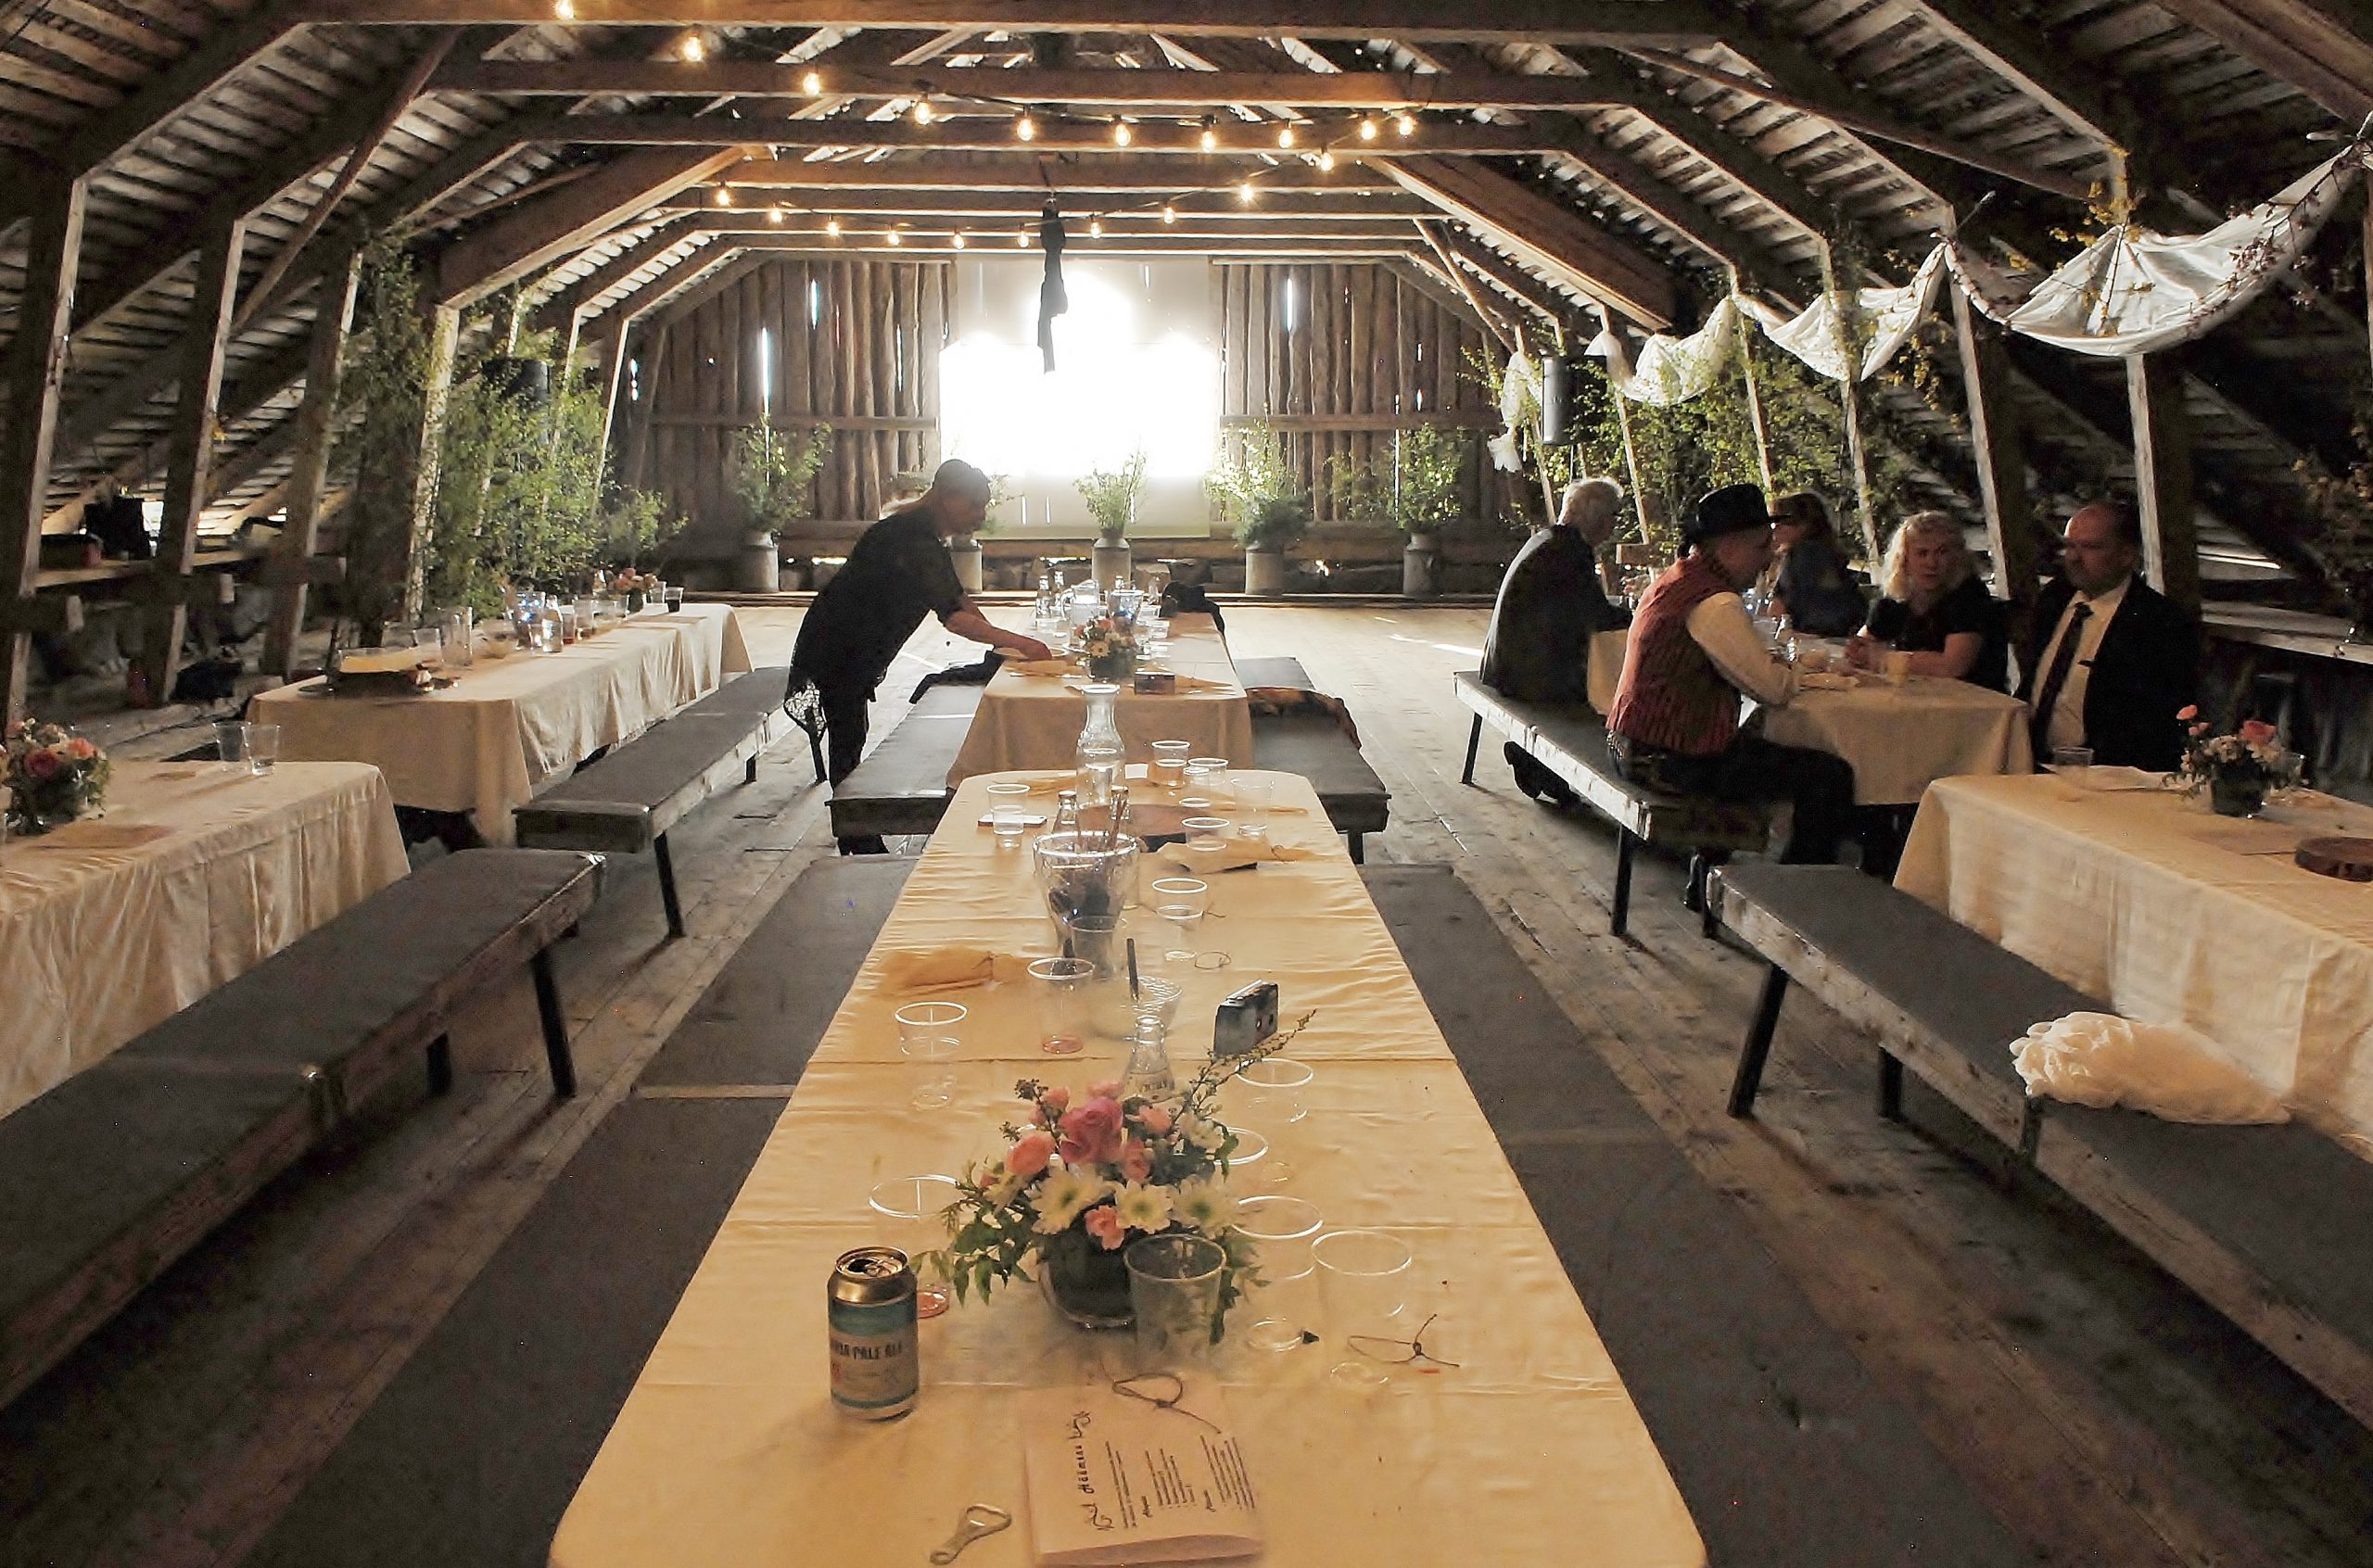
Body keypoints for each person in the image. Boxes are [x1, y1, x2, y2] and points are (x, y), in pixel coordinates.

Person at [1606, 482, 1857, 865]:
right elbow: (1773, 690)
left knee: (1750, 746)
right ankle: (1797, 888)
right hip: (1664, 761)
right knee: (1828, 777)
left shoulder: (1679, 579)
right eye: (1761, 547)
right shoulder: (1715, 602)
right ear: (1728, 549)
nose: (1769, 557)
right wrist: (1790, 667)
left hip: (1635, 744)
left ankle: (1712, 875)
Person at [790, 460, 1053, 801]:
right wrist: (1021, 643)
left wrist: (1003, 646)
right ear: (946, 498)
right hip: (838, 644)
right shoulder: (911, 538)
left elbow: (958, 599)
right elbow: (955, 619)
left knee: (853, 731)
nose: (980, 515)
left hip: (855, 642)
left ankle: (852, 811)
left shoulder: (922, 533)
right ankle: (850, 817)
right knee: (848, 737)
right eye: (974, 505)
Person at [1479, 476, 1633, 807]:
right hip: (1523, 673)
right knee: (1605, 700)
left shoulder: (1550, 539)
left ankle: (1536, 763)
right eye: (1613, 516)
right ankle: (1543, 764)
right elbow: (1597, 616)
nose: (1614, 525)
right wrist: (1641, 617)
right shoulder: (1570, 553)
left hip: (1504, 662)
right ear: (1597, 519)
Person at [2017, 500, 2198, 772]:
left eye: (2090, 547)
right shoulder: (2055, 598)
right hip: (2028, 760)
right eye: (2069, 546)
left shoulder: (2157, 622)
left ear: (2126, 555)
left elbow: (2153, 722)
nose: (2073, 557)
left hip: (2105, 772)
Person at [1853, 511, 2009, 690]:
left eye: (1942, 552)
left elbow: (1951, 666)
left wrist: (1882, 658)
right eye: (1922, 553)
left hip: (1972, 701)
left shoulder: (1969, 595)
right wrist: (1860, 652)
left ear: (1956, 557)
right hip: (1916, 697)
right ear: (1904, 559)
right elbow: (1860, 647)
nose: (1932, 563)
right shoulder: (1897, 599)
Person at [1766, 490, 1866, 637]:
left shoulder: (1802, 554)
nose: (1774, 528)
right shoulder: (1830, 554)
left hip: (1810, 639)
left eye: (1780, 523)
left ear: (1803, 525)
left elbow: (1776, 611)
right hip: (1842, 636)